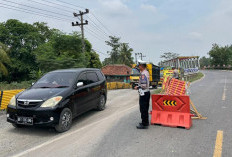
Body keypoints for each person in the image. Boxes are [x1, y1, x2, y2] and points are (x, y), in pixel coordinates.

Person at [134, 61, 151, 129]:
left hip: (144, 93)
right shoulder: (145, 72)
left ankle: (144, 124)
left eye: (139, 65)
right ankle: (145, 121)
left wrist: (137, 87)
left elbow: (144, 85)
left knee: (143, 108)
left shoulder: (143, 74)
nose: (138, 67)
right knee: (145, 108)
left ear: (141, 66)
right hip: (146, 92)